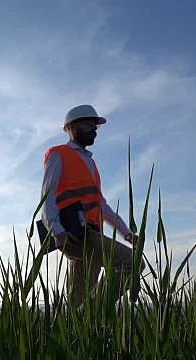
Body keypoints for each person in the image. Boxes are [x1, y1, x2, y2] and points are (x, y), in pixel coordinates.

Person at [40, 104, 144, 307]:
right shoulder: (58, 154)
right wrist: (57, 231)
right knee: (132, 264)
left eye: (95, 125)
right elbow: (47, 196)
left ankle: (75, 331)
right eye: (89, 123)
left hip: (89, 232)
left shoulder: (90, 163)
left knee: (79, 296)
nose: (94, 128)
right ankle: (92, 313)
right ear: (70, 126)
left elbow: (101, 206)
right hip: (74, 235)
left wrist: (126, 233)